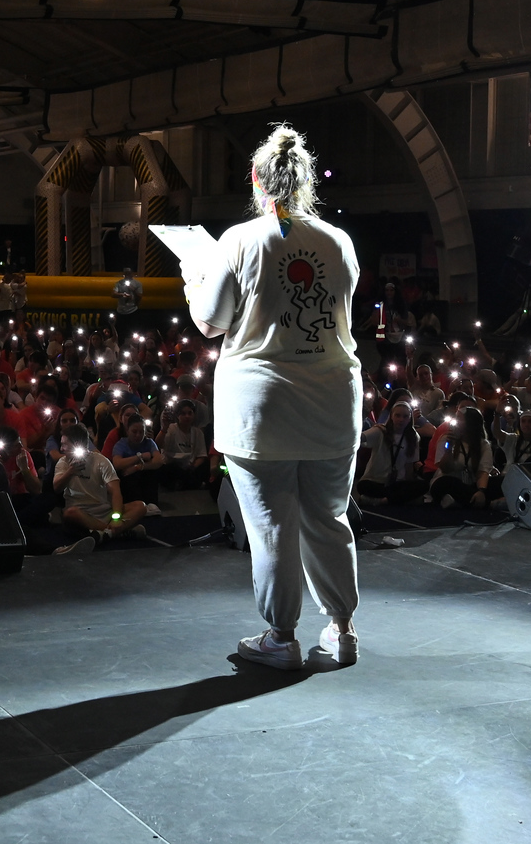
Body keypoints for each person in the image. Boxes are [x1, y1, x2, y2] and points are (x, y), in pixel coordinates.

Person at [184, 125, 361, 670]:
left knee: (272, 528)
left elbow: (211, 323)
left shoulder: (240, 239)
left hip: (262, 407)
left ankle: (281, 638)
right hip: (333, 399)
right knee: (329, 519)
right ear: (305, 182)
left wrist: (195, 276)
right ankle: (342, 630)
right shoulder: (338, 241)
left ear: (258, 181)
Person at [52, 423, 146, 551]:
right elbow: (56, 487)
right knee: (69, 513)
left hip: (104, 511)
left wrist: (116, 517)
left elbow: (115, 491)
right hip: (80, 514)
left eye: (64, 444)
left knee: (141, 506)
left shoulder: (101, 461)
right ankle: (117, 532)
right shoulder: (63, 463)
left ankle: (104, 533)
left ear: (77, 444)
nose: (61, 449)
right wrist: (70, 471)